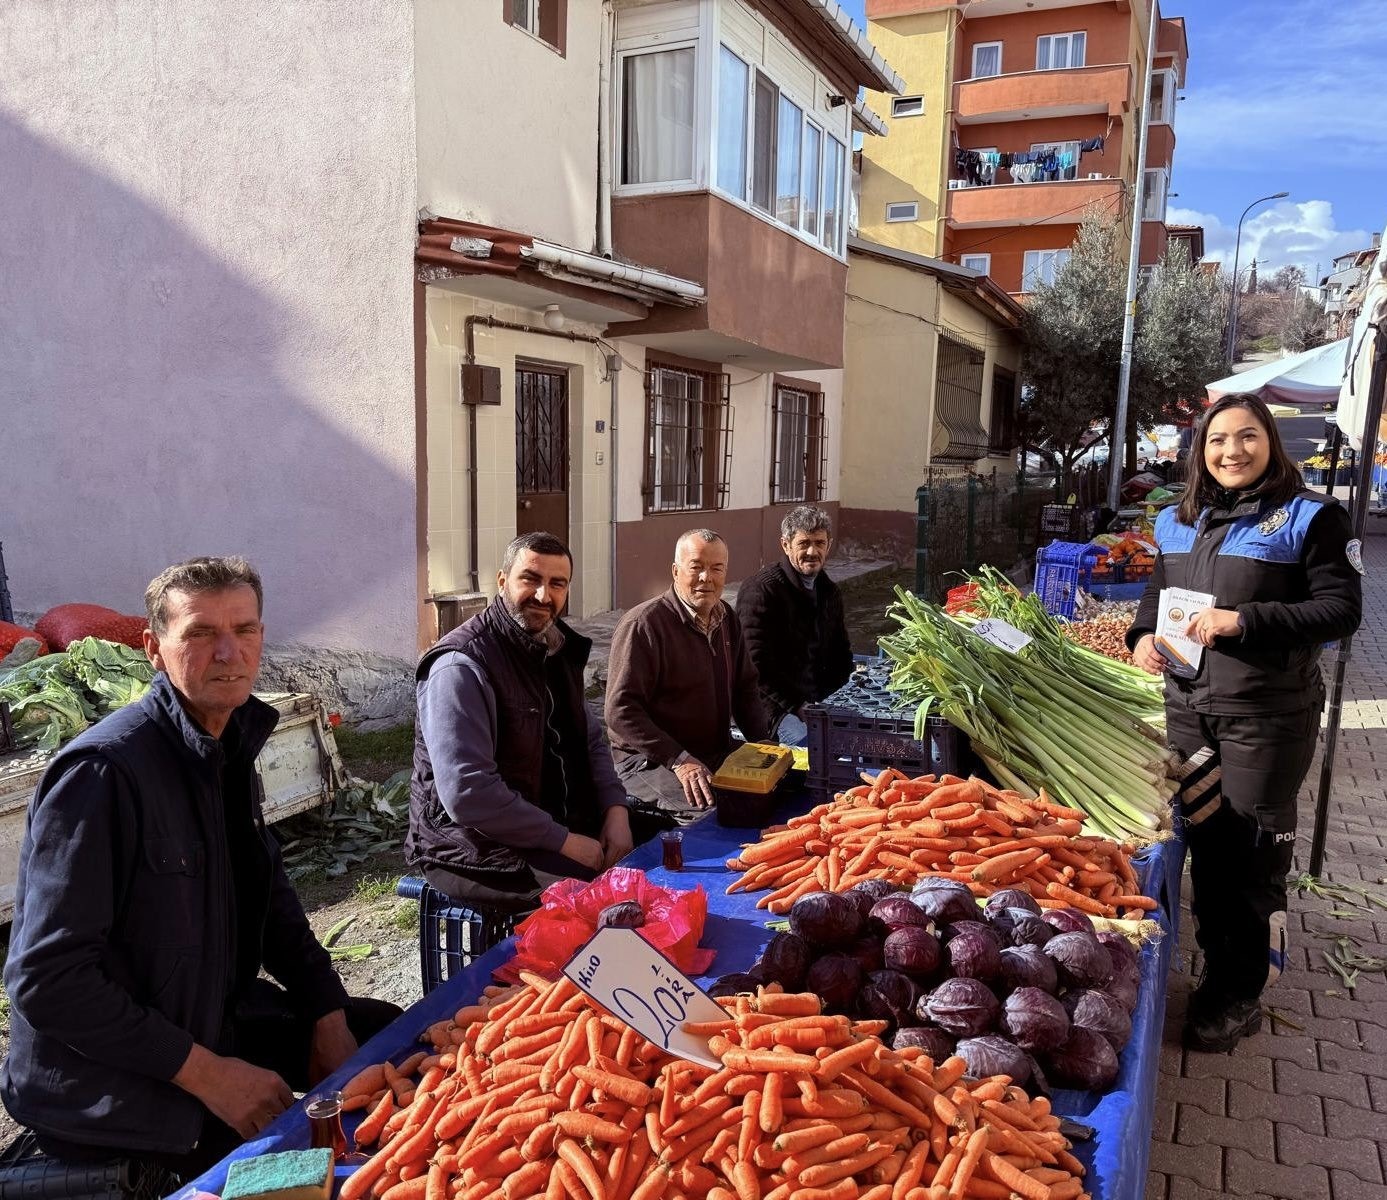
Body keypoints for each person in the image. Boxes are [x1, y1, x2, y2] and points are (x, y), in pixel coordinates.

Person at [2, 557, 400, 1177]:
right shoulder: (104, 774)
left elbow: (270, 901)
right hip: (109, 1084)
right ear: (154, 649)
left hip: (212, 1015)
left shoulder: (228, 740)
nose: (227, 652)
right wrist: (213, 1077)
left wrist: (327, 1014)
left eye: (244, 630)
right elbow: (47, 981)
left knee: (394, 1044)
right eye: (199, 633)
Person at [1126, 393, 1362, 1053]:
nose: (1231, 451)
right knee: (1207, 844)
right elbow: (1157, 592)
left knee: (1251, 855)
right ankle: (1217, 963)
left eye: (1246, 437)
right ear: (1200, 451)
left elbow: (1340, 611)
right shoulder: (1179, 518)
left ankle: (1237, 992)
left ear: (1269, 442)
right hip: (1190, 713)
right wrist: (1141, 635)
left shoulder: (1310, 517)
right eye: (1217, 440)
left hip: (1266, 717)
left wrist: (1243, 622)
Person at [407, 532, 632, 908]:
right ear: (501, 581)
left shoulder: (554, 647)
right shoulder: (460, 665)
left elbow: (589, 739)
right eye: (531, 579)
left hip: (551, 820)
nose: (544, 596)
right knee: (597, 902)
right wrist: (565, 841)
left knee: (664, 853)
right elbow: (468, 793)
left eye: (557, 584)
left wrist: (616, 810)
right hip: (468, 845)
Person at [605, 529, 769, 820]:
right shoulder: (644, 625)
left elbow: (745, 687)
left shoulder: (726, 618)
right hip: (652, 761)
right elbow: (621, 710)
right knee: (711, 815)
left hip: (712, 750)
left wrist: (764, 743)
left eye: (716, 568)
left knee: (778, 788)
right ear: (675, 570)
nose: (706, 578)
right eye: (696, 567)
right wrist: (679, 760)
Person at [735, 506, 854, 744]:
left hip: (815, 701)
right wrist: (797, 706)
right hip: (772, 708)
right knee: (814, 749)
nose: (812, 551)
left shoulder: (828, 591)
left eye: (819, 543)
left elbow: (841, 654)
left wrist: (840, 699)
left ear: (828, 546)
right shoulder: (761, 591)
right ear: (785, 545)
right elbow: (754, 665)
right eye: (804, 543)